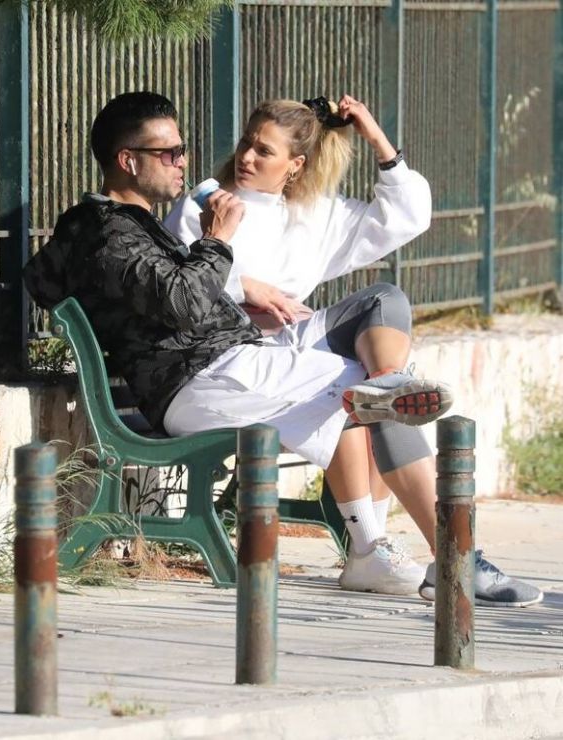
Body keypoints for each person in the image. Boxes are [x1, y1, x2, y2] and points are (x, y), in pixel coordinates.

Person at [164, 95, 544, 608]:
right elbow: (180, 285)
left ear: (296, 166)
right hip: (233, 359)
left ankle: (386, 393)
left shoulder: (315, 214)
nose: (247, 157)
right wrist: (246, 286)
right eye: (247, 143)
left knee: (386, 302)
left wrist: (377, 139)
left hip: (291, 343)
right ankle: (445, 553)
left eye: (264, 151)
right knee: (362, 388)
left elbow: (406, 217)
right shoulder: (207, 203)